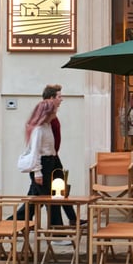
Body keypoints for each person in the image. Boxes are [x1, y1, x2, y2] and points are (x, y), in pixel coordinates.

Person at [12, 99, 63, 227]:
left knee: (33, 201)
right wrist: (37, 172)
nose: (56, 114)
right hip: (42, 165)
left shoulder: (47, 126)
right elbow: (35, 152)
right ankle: (57, 233)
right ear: (47, 113)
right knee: (52, 201)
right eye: (54, 112)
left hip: (49, 163)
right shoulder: (38, 129)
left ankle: (12, 225)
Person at [42, 84, 83, 225]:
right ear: (51, 98)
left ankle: (72, 219)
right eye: (59, 96)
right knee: (50, 196)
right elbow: (38, 141)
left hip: (53, 157)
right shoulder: (45, 115)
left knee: (61, 189)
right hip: (46, 160)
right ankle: (13, 224)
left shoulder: (51, 114)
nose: (62, 99)